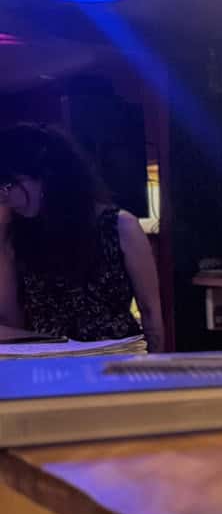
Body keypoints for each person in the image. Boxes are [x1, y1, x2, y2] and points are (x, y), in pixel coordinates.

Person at [0, 124, 164, 351]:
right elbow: (12, 320)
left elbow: (150, 312)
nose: (5, 198)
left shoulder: (120, 226)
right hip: (50, 365)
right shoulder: (17, 233)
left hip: (116, 360)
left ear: (46, 178)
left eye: (8, 185)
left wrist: (156, 373)